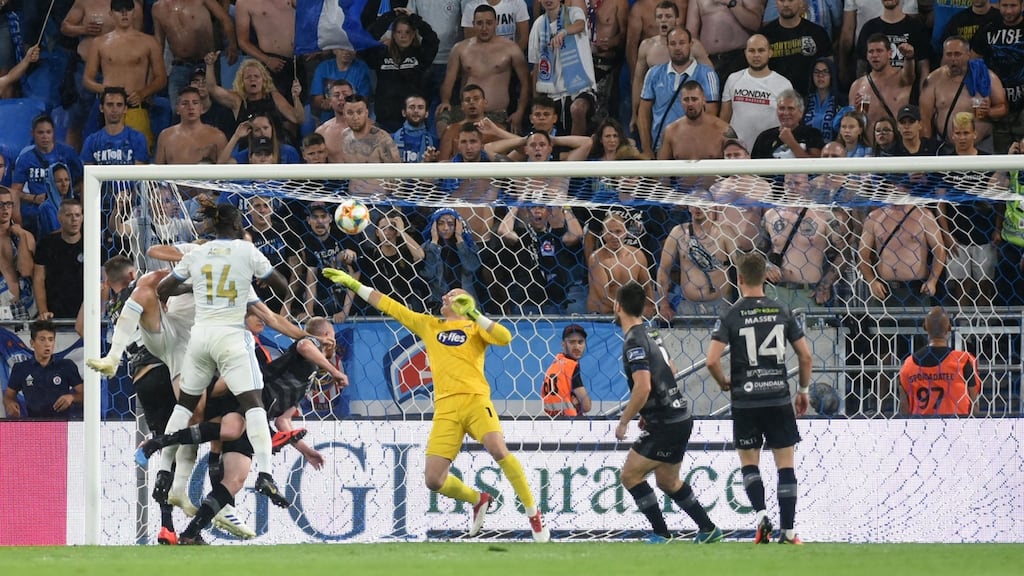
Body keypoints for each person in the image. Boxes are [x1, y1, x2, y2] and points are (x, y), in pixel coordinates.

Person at [320, 266, 550, 541]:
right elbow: (390, 306)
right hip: (445, 409)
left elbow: (505, 337)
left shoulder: (475, 327)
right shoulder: (430, 325)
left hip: (475, 400)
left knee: (497, 448)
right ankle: (478, 499)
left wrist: (475, 314)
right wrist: (354, 285)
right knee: (434, 479)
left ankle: (534, 515)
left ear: (466, 303)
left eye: (453, 295)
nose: (445, 297)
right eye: (446, 294)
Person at [153, 203, 290, 524]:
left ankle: (163, 471)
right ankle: (266, 474)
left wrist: (196, 287)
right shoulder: (247, 251)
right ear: (238, 225)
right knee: (254, 404)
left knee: (184, 406)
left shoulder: (198, 253)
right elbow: (281, 285)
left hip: (200, 337)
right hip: (231, 336)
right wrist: (262, 288)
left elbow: (163, 288)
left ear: (214, 225)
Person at [705, 252, 812, 545]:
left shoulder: (730, 315)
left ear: (739, 278)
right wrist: (803, 391)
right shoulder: (782, 310)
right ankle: (788, 531)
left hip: (745, 400)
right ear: (765, 277)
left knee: (749, 463)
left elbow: (711, 360)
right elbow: (805, 356)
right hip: (778, 397)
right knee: (785, 465)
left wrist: (724, 382)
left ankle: (762, 516)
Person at [613, 280, 722, 544]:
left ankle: (661, 534)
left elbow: (643, 386)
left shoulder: (633, 342)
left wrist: (624, 421)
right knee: (668, 482)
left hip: (665, 422)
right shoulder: (651, 333)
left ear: (617, 307)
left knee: (630, 475)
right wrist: (647, 409)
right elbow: (670, 370)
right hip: (678, 416)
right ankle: (708, 530)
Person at [82, 0, 167, 152]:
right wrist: (106, 90)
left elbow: (161, 78)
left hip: (136, 107)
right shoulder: (99, 43)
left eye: (128, 9)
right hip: (109, 108)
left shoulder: (149, 42)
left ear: (134, 12)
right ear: (111, 14)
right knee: (106, 155)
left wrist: (143, 93)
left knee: (139, 155)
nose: (124, 13)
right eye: (118, 10)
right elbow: (87, 79)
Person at [437, 4, 530, 136]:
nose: (484, 28)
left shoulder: (511, 48)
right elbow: (449, 80)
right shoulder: (460, 48)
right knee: (442, 121)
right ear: (473, 24)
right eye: (480, 23)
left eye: (489, 23)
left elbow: (526, 83)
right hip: (465, 112)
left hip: (496, 113)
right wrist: (445, 101)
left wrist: (519, 112)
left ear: (496, 23)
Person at [638, 27, 720, 157]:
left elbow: (711, 114)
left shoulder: (707, 74)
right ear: (667, 46)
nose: (677, 48)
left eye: (682, 43)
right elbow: (643, 112)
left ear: (690, 44)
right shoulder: (653, 73)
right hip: (659, 147)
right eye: (673, 43)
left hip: (693, 149)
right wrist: (646, 148)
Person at [919, 35, 1007, 154]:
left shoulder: (986, 76)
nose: (953, 59)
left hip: (982, 146)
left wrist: (989, 112)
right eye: (949, 54)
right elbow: (925, 118)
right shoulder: (933, 80)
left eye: (957, 54)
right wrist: (926, 150)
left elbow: (1003, 107)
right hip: (947, 147)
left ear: (968, 54)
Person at [151, 0, 238, 110]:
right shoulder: (157, 8)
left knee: (215, 107)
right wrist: (156, 71)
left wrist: (232, 45)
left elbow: (224, 19)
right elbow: (159, 42)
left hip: (208, 63)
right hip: (179, 66)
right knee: (178, 110)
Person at [528, 0, 598, 136]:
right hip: (552, 92)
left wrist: (564, 32)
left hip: (580, 88)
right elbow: (537, 65)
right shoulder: (538, 25)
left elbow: (580, 25)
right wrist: (535, 100)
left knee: (577, 109)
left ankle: (576, 148)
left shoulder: (573, 13)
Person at [898, 306, 981, 416]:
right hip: (956, 424)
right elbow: (974, 404)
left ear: (924, 327)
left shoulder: (908, 365)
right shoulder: (963, 361)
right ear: (949, 328)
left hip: (921, 424)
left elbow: (904, 406)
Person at [719, 34, 794, 153]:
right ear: (745, 53)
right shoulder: (733, 79)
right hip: (738, 151)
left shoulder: (783, 84)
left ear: (770, 53)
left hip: (768, 151)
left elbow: (789, 122)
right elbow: (724, 118)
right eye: (752, 51)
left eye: (761, 50)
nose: (756, 55)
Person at [3, 320, 83, 419]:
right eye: (42, 339)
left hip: (62, 424)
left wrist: (71, 397)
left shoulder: (66, 366)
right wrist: (10, 403)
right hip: (34, 424)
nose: (47, 344)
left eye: (51, 339)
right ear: (32, 343)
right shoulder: (21, 368)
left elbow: (83, 394)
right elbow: (8, 396)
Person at [847, 34, 915, 143]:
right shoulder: (858, 86)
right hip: (870, 148)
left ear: (890, 53)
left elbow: (910, 74)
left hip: (899, 147)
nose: (875, 55)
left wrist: (909, 58)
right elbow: (852, 123)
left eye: (879, 51)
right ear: (867, 56)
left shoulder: (902, 78)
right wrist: (857, 112)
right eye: (871, 52)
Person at [34, 200, 84, 320]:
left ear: (82, 218)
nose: (74, 219)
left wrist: (99, 313)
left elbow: (103, 282)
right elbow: (39, 279)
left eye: (77, 215)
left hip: (85, 315)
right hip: (55, 314)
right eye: (69, 215)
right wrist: (43, 311)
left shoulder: (92, 244)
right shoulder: (46, 244)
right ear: (60, 218)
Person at [154, 86, 229, 164]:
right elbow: (158, 170)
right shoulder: (165, 136)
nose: (191, 107)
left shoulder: (218, 137)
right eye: (185, 103)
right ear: (177, 109)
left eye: (195, 103)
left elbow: (227, 169)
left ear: (202, 108)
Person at [81, 87, 150, 166]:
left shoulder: (138, 138)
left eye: (119, 105)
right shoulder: (91, 141)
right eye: (110, 105)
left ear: (125, 109)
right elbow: (88, 172)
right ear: (101, 108)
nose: (114, 110)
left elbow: (139, 172)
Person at [542, 323, 592, 417]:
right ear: (563, 344)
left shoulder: (553, 367)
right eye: (572, 342)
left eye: (580, 342)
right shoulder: (570, 366)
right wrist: (578, 403)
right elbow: (587, 406)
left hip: (550, 421)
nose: (577, 347)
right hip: (569, 421)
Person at [315, 80, 355, 163]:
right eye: (336, 95)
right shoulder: (322, 132)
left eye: (345, 95)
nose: (341, 98)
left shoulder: (369, 128)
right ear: (329, 100)